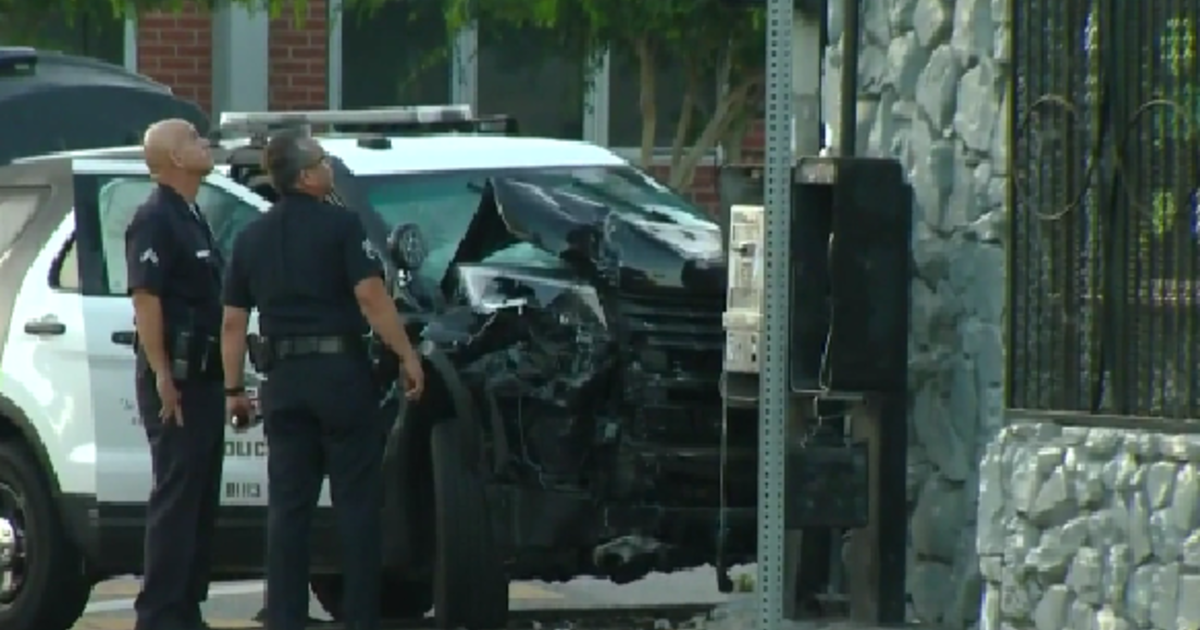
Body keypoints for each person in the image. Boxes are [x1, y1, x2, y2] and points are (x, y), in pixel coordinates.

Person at [219, 129, 425, 630]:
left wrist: (232, 391)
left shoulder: (251, 236)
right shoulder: (341, 225)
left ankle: (285, 616)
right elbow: (373, 297)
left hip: (283, 381)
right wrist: (406, 354)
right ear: (308, 175)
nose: (329, 167)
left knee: (289, 507)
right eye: (323, 160)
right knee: (356, 503)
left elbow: (232, 322)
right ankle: (360, 617)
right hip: (340, 378)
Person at [127, 119, 225, 630]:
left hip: (206, 376)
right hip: (178, 379)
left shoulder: (193, 216)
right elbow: (147, 299)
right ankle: (160, 613)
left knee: (201, 496)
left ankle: (186, 606)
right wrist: (162, 374)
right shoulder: (155, 219)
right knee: (177, 495)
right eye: (192, 138)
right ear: (173, 159)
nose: (203, 143)